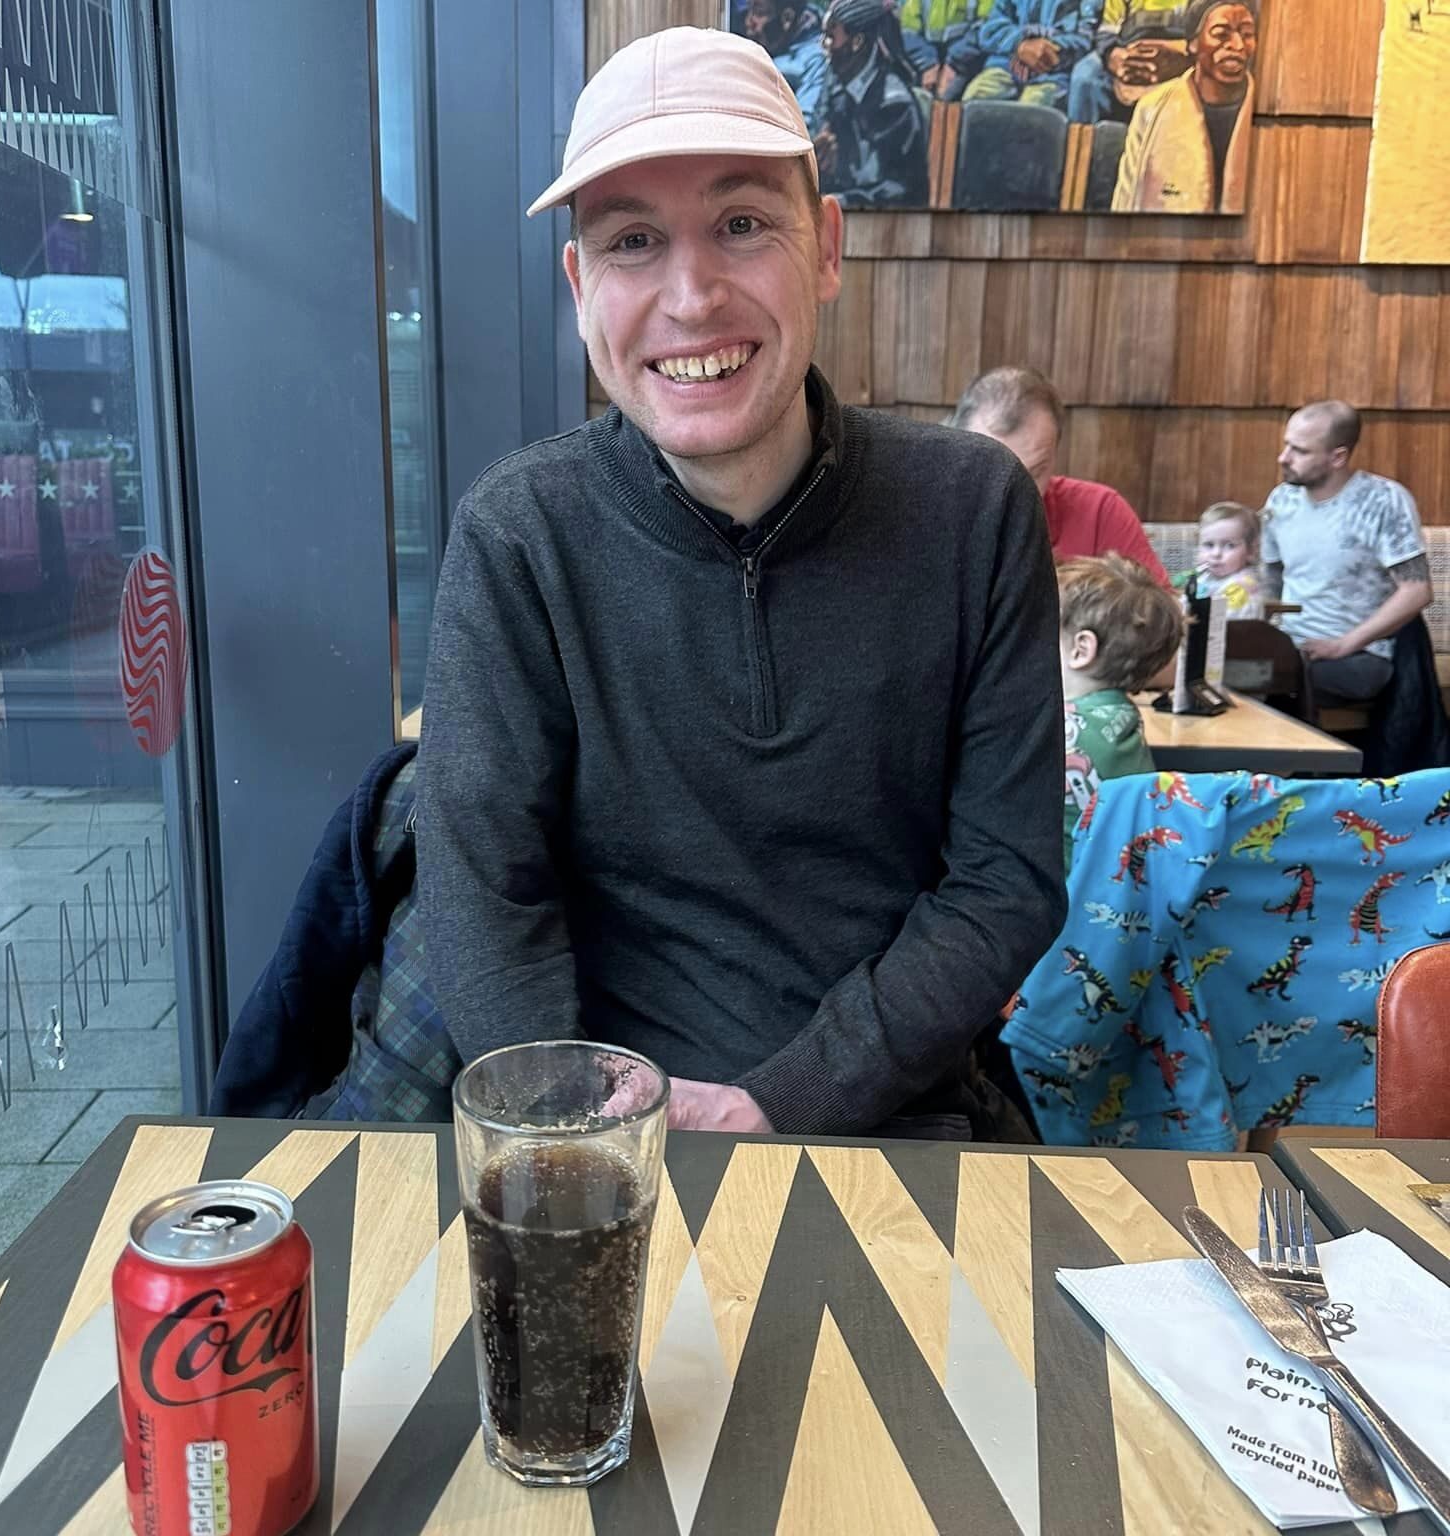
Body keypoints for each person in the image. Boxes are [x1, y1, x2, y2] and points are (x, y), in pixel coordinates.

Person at [416, 25, 1066, 1141]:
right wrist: (582, 1131)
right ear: (580, 286)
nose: (690, 296)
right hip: (589, 1131)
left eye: (742, 224)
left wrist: (785, 1100)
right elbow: (482, 894)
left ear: (824, 248)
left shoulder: (974, 509)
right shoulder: (521, 532)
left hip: (893, 1119)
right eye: (631, 241)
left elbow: (1005, 881)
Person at [1261, 401, 1433, 710]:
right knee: (1232, 671)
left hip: (1360, 655)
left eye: (1299, 451)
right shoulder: (1281, 499)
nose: (1283, 458)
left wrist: (1344, 644)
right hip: (1291, 646)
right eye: (1286, 445)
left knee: (1273, 681)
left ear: (1337, 457)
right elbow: (1270, 577)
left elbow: (1417, 591)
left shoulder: (1382, 501)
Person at [951, 365, 1172, 588]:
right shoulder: (926, 516)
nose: (1012, 494)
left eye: (1034, 473)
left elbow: (1162, 615)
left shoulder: (1099, 512)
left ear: (1055, 453)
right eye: (992, 474)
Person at [1058, 555, 1184, 865]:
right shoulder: (1123, 715)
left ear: (1081, 649)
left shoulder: (1060, 729)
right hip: (1117, 890)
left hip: (1056, 897)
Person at [1112, 0, 1257, 213]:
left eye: (1247, 34)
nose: (1237, 45)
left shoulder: (1265, 111)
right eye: (1220, 34)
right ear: (1193, 44)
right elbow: (1125, 203)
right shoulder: (1153, 109)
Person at [814, 0, 931, 207]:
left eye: (831, 37)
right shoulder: (838, 97)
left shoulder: (894, 103)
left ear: (857, 41)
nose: (825, 46)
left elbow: (898, 190)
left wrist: (839, 200)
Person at [1068, 0, 1188, 125]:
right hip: (1128, 53)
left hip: (1180, 56)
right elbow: (1107, 30)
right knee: (1084, 77)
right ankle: (1084, 140)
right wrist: (1112, 54)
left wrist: (1179, 56)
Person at [962, 0, 1096, 112]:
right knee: (974, 101)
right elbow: (990, 28)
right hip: (1005, 65)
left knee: (1031, 111)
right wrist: (1020, 45)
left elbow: (1086, 39)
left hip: (1053, 76)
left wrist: (1041, 54)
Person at [744, 0, 830, 127]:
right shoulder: (768, 46)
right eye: (748, 11)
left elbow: (804, 125)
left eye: (759, 13)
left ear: (787, 18)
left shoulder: (814, 60)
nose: (748, 22)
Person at [1193, 499, 1264, 615]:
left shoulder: (1241, 587)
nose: (1216, 554)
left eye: (1230, 545)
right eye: (1209, 545)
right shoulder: (1204, 578)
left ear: (1251, 551)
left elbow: (1221, 625)